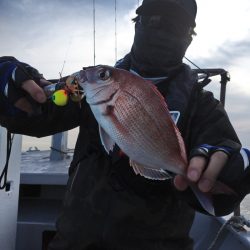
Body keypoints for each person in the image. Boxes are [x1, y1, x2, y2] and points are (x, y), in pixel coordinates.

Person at [0, 0, 250, 249]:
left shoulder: (202, 106)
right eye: (153, 19)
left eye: (175, 23)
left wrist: (234, 170)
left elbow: (220, 179)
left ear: (189, 36)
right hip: (72, 242)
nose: (161, 28)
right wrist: (8, 80)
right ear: (137, 23)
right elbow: (35, 108)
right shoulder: (90, 83)